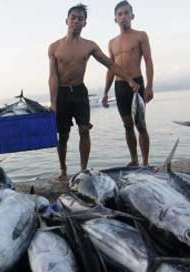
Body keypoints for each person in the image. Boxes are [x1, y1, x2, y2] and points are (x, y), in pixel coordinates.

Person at [49, 4, 139, 181]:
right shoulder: (54, 47)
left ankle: (83, 169)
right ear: (67, 21)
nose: (76, 21)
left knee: (84, 130)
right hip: (62, 93)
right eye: (73, 17)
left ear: (85, 23)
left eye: (80, 19)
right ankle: (63, 169)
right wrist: (53, 102)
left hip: (80, 92)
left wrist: (129, 79)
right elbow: (52, 77)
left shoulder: (89, 46)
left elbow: (110, 64)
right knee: (63, 135)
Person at [102, 1, 154, 166]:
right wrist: (105, 92)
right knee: (127, 125)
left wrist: (150, 86)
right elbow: (111, 68)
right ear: (115, 19)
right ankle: (134, 160)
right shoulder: (112, 42)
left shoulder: (140, 36)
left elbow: (148, 61)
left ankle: (145, 162)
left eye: (126, 13)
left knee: (141, 125)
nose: (123, 17)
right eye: (120, 14)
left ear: (132, 16)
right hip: (120, 86)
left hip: (137, 85)